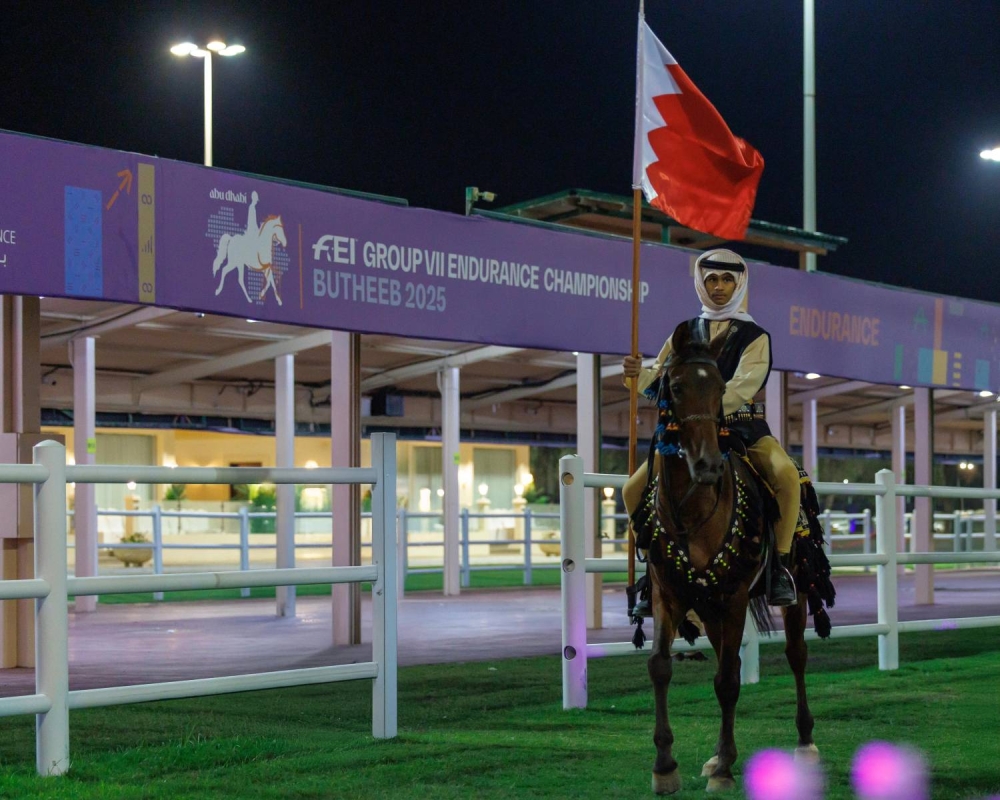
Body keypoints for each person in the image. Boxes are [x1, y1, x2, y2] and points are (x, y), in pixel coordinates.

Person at [622, 248, 798, 610]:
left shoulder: (755, 336)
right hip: (688, 433)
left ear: (739, 284)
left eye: (727, 279)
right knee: (632, 489)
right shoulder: (684, 331)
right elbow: (664, 376)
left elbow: (743, 385)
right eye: (712, 279)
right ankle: (651, 567)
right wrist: (636, 374)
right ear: (701, 285)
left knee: (786, 475)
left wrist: (703, 409)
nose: (719, 286)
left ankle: (779, 565)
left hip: (744, 427)